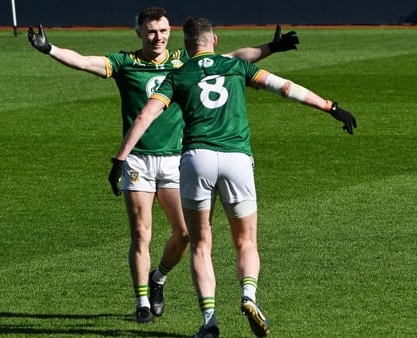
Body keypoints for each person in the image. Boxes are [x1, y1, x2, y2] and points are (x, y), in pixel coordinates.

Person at [27, 7, 300, 324]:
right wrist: (50, 49)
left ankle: (159, 278)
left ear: (170, 33)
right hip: (138, 160)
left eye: (163, 31)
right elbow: (86, 62)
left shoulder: (182, 62)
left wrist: (270, 47)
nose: (158, 37)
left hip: (176, 160)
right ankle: (142, 302)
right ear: (139, 33)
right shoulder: (126, 63)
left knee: (185, 235)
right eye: (151, 31)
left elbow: (232, 57)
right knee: (141, 233)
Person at [110, 16, 356, 338]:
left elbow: (145, 115)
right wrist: (331, 107)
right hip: (237, 160)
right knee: (246, 241)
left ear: (185, 46)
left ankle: (209, 321)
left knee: (200, 244)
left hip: (196, 160)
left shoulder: (178, 74)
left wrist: (120, 158)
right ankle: (248, 295)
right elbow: (284, 87)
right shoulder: (236, 67)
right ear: (214, 41)